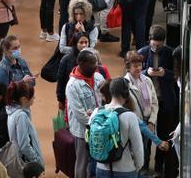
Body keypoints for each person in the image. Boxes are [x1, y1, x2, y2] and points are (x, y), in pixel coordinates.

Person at [138, 26, 179, 176]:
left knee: (163, 134)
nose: (156, 47)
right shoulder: (142, 53)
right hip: (147, 103)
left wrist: (165, 73)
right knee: (146, 135)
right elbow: (134, 74)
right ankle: (144, 164)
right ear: (149, 41)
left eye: (159, 45)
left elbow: (176, 75)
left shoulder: (170, 53)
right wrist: (146, 72)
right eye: (154, 44)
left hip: (164, 100)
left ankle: (158, 166)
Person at [90, 79, 145, 178]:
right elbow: (138, 147)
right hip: (125, 169)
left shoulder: (96, 112)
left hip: (101, 168)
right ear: (126, 93)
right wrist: (139, 165)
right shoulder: (130, 116)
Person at [66, 50, 106, 178]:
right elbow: (80, 114)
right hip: (83, 130)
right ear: (81, 64)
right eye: (92, 63)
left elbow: (106, 99)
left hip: (99, 127)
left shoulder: (98, 77)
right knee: (83, 162)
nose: (96, 66)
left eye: (96, 63)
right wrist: (96, 123)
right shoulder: (72, 86)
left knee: (97, 161)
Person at [124, 52, 159, 170]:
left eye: (140, 65)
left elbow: (154, 102)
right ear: (128, 67)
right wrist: (141, 124)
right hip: (135, 123)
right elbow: (126, 108)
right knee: (136, 150)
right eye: (135, 66)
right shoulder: (124, 85)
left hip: (148, 121)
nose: (139, 68)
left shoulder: (147, 80)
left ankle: (143, 171)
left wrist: (152, 121)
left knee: (145, 149)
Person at [6, 82, 44, 167]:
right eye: (32, 96)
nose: (34, 97)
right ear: (23, 99)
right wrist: (37, 160)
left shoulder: (11, 111)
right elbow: (24, 145)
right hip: (26, 163)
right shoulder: (21, 116)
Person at [57, 32, 91, 111]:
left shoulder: (92, 58)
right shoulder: (66, 59)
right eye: (81, 42)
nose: (84, 45)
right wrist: (60, 99)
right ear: (75, 44)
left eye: (86, 42)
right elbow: (61, 81)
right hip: (70, 97)